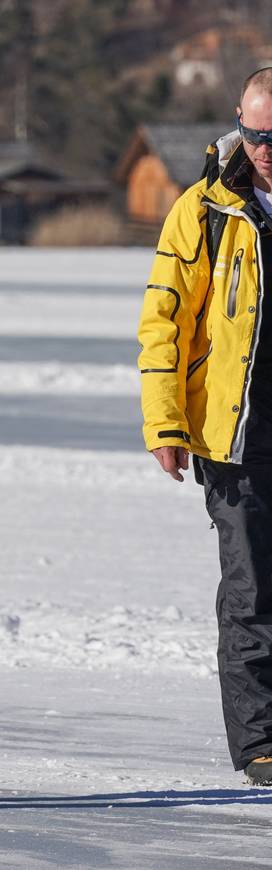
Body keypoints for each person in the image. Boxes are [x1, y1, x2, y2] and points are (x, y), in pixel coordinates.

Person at [138, 67, 272, 786]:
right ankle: (260, 744)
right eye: (256, 135)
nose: (266, 148)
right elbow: (163, 321)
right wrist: (165, 424)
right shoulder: (205, 210)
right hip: (236, 436)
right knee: (252, 590)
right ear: (238, 125)